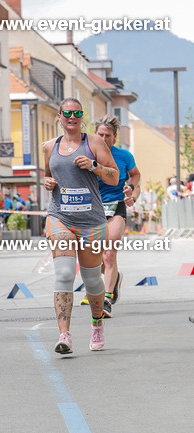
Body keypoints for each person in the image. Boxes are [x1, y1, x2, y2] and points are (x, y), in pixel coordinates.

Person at [43, 98, 119, 354]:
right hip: (59, 217)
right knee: (64, 273)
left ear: (81, 116)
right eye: (67, 113)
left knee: (90, 279)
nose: (72, 117)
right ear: (59, 116)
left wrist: (94, 166)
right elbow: (47, 174)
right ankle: (64, 335)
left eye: (77, 113)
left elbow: (114, 175)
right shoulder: (49, 146)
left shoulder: (94, 142)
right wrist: (47, 183)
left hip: (91, 221)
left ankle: (97, 323)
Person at [88, 115, 141, 317]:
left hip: (116, 205)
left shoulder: (124, 156)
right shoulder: (88, 154)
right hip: (93, 207)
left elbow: (135, 174)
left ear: (114, 137)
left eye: (107, 135)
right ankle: (115, 278)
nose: (103, 138)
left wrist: (132, 192)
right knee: (98, 259)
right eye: (100, 134)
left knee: (109, 253)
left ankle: (107, 299)